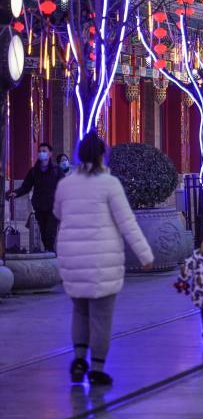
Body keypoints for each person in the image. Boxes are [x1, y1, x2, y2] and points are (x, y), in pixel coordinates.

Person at [53, 132, 154, 386]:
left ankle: (78, 359)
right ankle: (96, 368)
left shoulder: (66, 184)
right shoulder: (109, 184)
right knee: (101, 316)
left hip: (72, 259)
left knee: (79, 310)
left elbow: (57, 212)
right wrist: (145, 254)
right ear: (102, 155)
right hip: (103, 261)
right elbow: (127, 222)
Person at [7, 142, 64, 252]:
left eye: (44, 151)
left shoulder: (57, 171)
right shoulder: (34, 171)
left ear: (50, 154)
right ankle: (49, 252)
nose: (41, 153)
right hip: (39, 206)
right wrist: (16, 193)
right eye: (40, 151)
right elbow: (26, 186)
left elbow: (64, 186)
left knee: (50, 232)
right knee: (43, 232)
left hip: (53, 207)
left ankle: (50, 253)